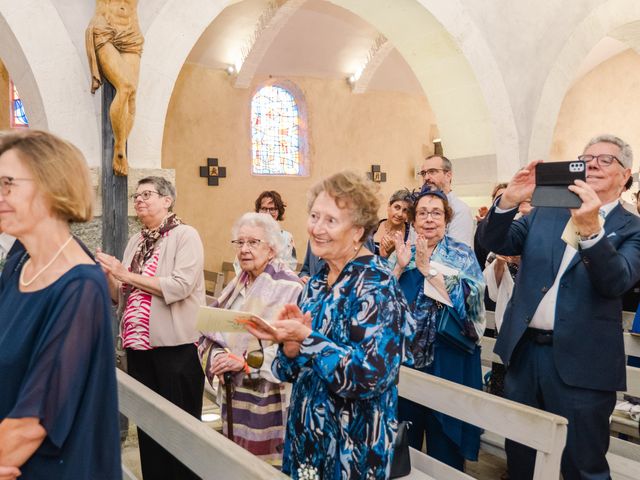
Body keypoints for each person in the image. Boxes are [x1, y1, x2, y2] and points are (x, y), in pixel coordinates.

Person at [477, 134, 640, 480]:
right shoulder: (546, 212)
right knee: (521, 458)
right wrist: (508, 200)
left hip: (583, 368)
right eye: (587, 157)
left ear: (626, 175)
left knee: (582, 466)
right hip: (525, 358)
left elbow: (617, 281)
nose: (593, 163)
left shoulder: (631, 228)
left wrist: (592, 230)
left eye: (605, 159)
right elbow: (494, 242)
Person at [246, 171, 415, 479]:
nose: (317, 228)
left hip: (353, 448)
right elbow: (289, 373)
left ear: (358, 231)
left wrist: (307, 338)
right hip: (306, 439)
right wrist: (290, 346)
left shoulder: (377, 285)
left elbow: (370, 376)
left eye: (330, 221)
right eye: (314, 216)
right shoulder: (317, 282)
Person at [0, 130, 120, 479]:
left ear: (51, 186)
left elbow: (33, 421)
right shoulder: (21, 264)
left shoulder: (80, 286)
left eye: (8, 184)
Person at [96, 176, 205, 480]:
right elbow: (122, 296)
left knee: (179, 434)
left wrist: (125, 275)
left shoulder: (185, 235)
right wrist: (109, 276)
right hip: (139, 349)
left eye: (147, 194)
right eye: (136, 196)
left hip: (175, 350)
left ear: (167, 201)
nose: (139, 200)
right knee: (150, 430)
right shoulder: (137, 241)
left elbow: (180, 286)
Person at [392, 185, 485, 471]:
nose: (429, 219)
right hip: (405, 366)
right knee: (401, 448)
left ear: (446, 220)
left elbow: (473, 308)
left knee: (444, 450)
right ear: (413, 219)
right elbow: (378, 304)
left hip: (448, 364)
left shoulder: (461, 254)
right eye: (422, 213)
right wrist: (398, 268)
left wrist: (427, 269)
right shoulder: (401, 252)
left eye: (436, 213)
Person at [198, 212, 303, 466]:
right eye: (240, 243)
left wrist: (244, 361)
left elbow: (292, 348)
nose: (244, 249)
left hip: (271, 397)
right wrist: (219, 358)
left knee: (265, 469)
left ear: (272, 248)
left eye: (253, 242)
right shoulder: (237, 284)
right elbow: (209, 330)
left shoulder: (290, 287)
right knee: (237, 464)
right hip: (234, 392)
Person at [85, 0, 144, 176]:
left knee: (131, 95)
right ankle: (119, 148)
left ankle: (123, 142)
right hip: (105, 27)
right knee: (125, 87)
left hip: (131, 32)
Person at [419, 154, 474, 247]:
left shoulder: (460, 210)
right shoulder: (419, 207)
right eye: (424, 173)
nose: (426, 178)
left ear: (448, 175)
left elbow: (457, 253)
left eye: (432, 172)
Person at [372, 188, 416, 257]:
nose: (400, 214)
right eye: (397, 207)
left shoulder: (413, 233)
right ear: (389, 206)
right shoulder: (372, 228)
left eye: (405, 210)